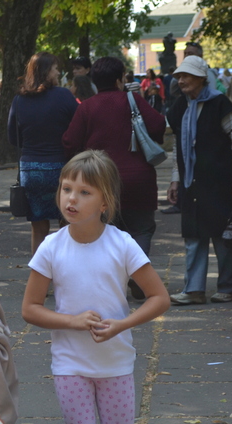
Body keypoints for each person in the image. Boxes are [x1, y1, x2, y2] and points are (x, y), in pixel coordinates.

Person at [21, 150, 169, 424]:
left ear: (105, 201)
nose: (71, 198)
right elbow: (30, 308)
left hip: (115, 364)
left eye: (84, 192)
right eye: (66, 188)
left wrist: (121, 325)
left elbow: (159, 298)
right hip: (70, 365)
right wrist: (70, 321)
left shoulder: (122, 244)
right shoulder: (51, 247)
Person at [63, 57, 166, 300]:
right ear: (120, 79)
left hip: (100, 181)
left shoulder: (87, 107)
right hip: (138, 179)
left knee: (105, 232)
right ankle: (139, 278)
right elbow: (159, 125)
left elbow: (69, 141)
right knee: (141, 228)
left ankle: (108, 284)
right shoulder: (133, 101)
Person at [166, 55, 232, 305]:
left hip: (219, 181)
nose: (181, 80)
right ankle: (194, 289)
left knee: (224, 236)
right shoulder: (179, 106)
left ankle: (229, 287)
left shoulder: (220, 103)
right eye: (179, 76)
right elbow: (180, 146)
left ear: (201, 78)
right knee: (194, 235)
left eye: (186, 76)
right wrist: (175, 180)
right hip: (192, 183)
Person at [8, 52, 78, 254]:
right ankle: (66, 271)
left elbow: (13, 138)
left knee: (38, 227)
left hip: (31, 170)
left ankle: (39, 276)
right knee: (66, 223)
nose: (58, 72)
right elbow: (78, 128)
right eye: (55, 68)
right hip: (61, 169)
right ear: (46, 71)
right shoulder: (64, 96)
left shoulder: (19, 100)